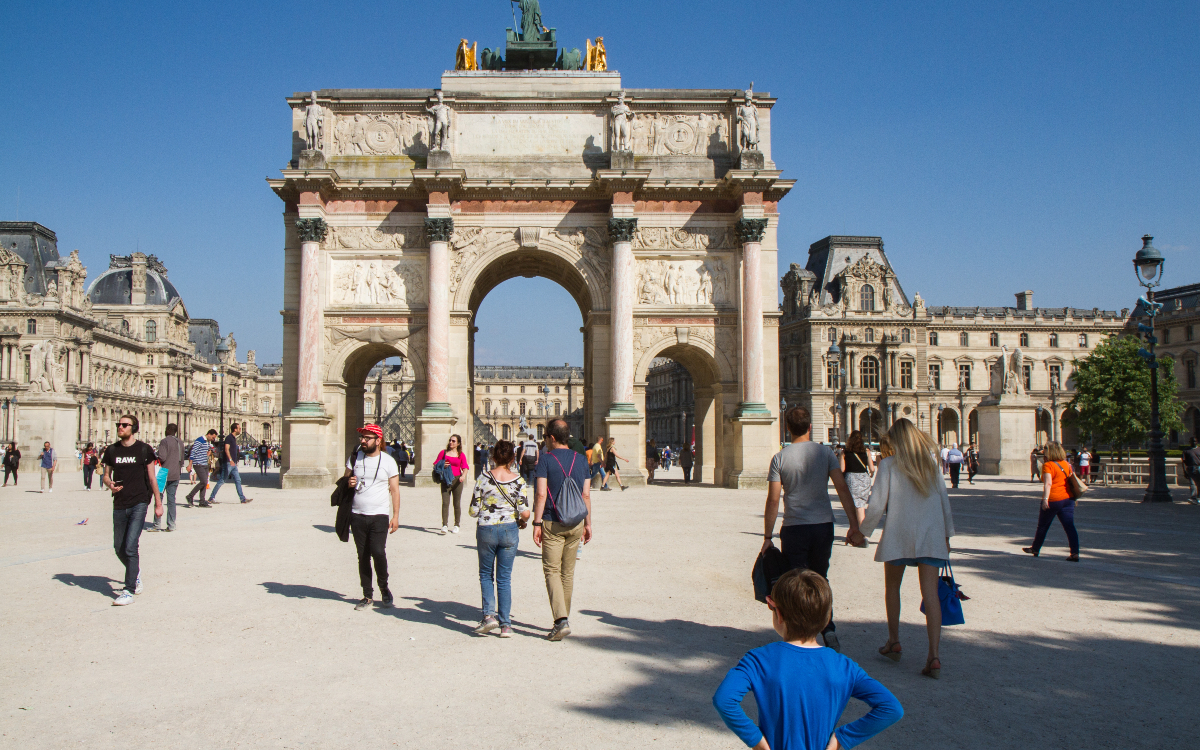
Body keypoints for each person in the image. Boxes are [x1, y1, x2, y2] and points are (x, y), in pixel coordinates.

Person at [713, 569, 903, 750]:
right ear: (827, 617)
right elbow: (891, 708)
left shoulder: (758, 660)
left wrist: (756, 741)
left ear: (779, 614)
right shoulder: (844, 667)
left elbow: (724, 699)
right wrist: (841, 738)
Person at [762, 406, 866, 653]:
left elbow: (773, 500)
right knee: (821, 578)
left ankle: (799, 634)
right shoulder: (825, 453)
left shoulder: (780, 457)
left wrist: (767, 536)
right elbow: (842, 489)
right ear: (810, 427)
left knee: (797, 582)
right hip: (822, 526)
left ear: (787, 428)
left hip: (795, 526)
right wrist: (854, 525)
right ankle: (827, 627)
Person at [860, 418, 955, 680]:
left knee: (893, 588)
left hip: (900, 534)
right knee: (931, 594)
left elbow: (877, 504)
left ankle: (894, 641)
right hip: (931, 534)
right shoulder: (931, 464)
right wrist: (948, 533)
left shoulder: (889, 464)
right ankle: (934, 655)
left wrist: (862, 531)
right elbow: (944, 501)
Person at [533, 418, 593, 641]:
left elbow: (540, 494)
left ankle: (560, 620)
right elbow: (586, 495)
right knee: (567, 574)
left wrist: (537, 523)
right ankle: (563, 619)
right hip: (576, 521)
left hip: (552, 521)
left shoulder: (546, 459)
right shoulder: (581, 459)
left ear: (551, 437)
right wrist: (588, 524)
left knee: (551, 571)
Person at [469, 440, 530, 637]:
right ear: (513, 459)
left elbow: (473, 510)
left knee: (486, 575)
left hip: (486, 529)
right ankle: (506, 625)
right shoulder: (519, 480)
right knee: (504, 578)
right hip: (509, 530)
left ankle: (488, 616)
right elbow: (526, 512)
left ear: (493, 457)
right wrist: (521, 520)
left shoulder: (483, 478)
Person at [103, 414, 163, 606]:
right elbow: (105, 475)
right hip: (119, 502)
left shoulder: (144, 449)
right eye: (118, 424)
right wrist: (109, 484)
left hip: (139, 501)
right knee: (118, 547)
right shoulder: (111, 450)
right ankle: (135, 573)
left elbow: (153, 478)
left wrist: (158, 503)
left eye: (124, 425)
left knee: (130, 546)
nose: (120, 427)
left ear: (133, 428)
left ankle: (128, 589)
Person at [342, 424, 400, 610]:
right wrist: (349, 483)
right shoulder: (355, 457)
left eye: (367, 438)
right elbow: (345, 480)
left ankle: (384, 588)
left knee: (378, 552)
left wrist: (396, 515)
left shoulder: (389, 461)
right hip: (357, 515)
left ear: (378, 440)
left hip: (379, 515)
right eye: (362, 437)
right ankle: (367, 595)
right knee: (363, 556)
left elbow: (395, 490)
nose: (363, 441)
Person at [1022, 441, 1080, 562]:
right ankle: (1075, 552)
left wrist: (1045, 499)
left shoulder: (1048, 465)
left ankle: (1036, 548)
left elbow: (1048, 483)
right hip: (1068, 499)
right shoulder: (1067, 464)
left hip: (1054, 499)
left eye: (1045, 449)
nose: (1044, 452)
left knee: (1043, 525)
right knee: (1069, 527)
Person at [153, 424, 187, 532]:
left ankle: (157, 524)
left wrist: (156, 456)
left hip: (163, 472)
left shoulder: (164, 441)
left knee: (159, 499)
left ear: (167, 430)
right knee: (171, 500)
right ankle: (171, 524)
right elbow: (182, 461)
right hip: (176, 473)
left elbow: (162, 457)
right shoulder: (180, 442)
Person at [210, 423, 253, 504]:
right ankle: (211, 497)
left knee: (238, 480)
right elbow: (226, 449)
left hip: (232, 464)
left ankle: (242, 499)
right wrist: (230, 460)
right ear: (235, 429)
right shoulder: (229, 438)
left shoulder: (233, 438)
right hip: (228, 463)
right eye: (239, 428)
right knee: (222, 480)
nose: (240, 430)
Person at [840, 431, 875, 527]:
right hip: (864, 478)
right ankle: (860, 531)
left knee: (855, 507)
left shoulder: (845, 452)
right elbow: (872, 468)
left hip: (851, 479)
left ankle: (858, 531)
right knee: (860, 506)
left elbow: (842, 469)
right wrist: (871, 474)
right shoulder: (866, 451)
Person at [435, 434, 469, 535]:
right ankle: (444, 525)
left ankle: (456, 525)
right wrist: (442, 464)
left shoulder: (461, 454)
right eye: (450, 440)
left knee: (456, 503)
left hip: (457, 480)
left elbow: (465, 467)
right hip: (446, 479)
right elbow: (436, 464)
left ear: (458, 443)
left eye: (453, 441)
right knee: (445, 503)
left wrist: (463, 476)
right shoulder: (443, 453)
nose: (451, 442)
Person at [185, 430, 217, 508]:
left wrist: (207, 454)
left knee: (205, 482)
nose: (213, 439)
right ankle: (190, 496)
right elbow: (193, 452)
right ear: (209, 434)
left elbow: (201, 452)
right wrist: (189, 464)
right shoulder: (199, 440)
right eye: (213, 437)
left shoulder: (207, 442)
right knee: (203, 481)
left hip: (204, 463)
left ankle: (202, 501)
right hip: (198, 463)